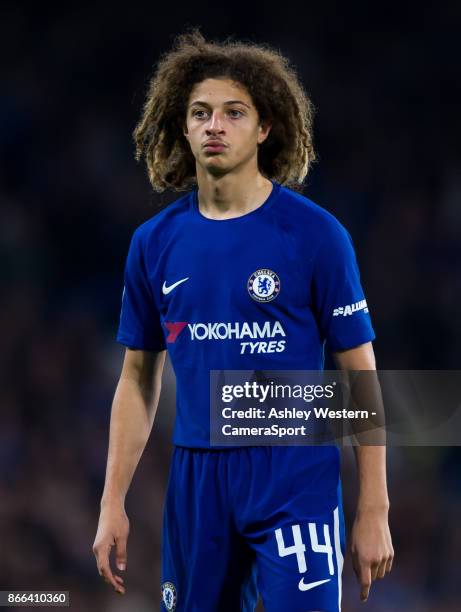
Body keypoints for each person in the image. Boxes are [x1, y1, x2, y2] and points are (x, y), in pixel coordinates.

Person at [92, 30, 394, 611]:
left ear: (264, 128)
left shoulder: (316, 235)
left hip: (294, 475)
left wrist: (374, 509)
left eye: (234, 113)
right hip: (198, 479)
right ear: (182, 127)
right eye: (200, 113)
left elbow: (359, 371)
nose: (214, 126)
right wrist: (112, 501)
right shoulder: (154, 244)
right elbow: (137, 378)